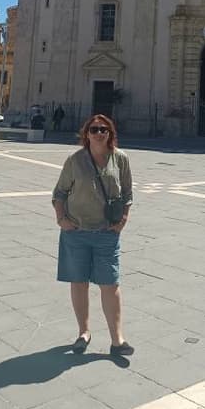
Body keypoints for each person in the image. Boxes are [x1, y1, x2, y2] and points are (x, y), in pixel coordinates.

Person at [52, 114, 134, 357]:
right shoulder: (75, 161)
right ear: (86, 134)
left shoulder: (120, 159)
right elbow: (60, 192)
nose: (99, 133)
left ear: (110, 133)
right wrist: (61, 219)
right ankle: (83, 332)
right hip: (76, 231)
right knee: (79, 282)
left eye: (104, 129)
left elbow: (128, 192)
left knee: (110, 283)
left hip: (107, 232)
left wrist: (123, 221)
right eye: (95, 129)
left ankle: (117, 339)